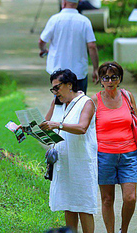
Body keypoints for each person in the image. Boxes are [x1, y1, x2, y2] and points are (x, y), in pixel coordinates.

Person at [40, 69, 98, 233]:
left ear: (69, 85)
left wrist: (57, 124)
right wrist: (27, 128)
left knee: (84, 206)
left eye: (57, 88)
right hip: (63, 162)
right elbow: (45, 126)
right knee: (68, 204)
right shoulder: (56, 103)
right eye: (53, 89)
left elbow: (82, 128)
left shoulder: (85, 102)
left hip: (81, 161)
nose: (55, 92)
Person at [95, 62, 137, 233]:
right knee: (107, 199)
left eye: (114, 77)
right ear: (100, 80)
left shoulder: (127, 96)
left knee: (130, 197)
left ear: (119, 79)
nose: (110, 81)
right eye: (106, 77)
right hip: (104, 155)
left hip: (129, 154)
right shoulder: (94, 100)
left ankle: (123, 230)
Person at [39, 0, 100, 94]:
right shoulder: (84, 21)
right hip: (78, 72)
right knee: (79, 104)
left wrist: (43, 50)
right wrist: (95, 68)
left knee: (59, 103)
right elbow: (92, 46)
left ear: (63, 3)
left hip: (57, 71)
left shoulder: (54, 20)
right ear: (76, 4)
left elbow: (42, 40)